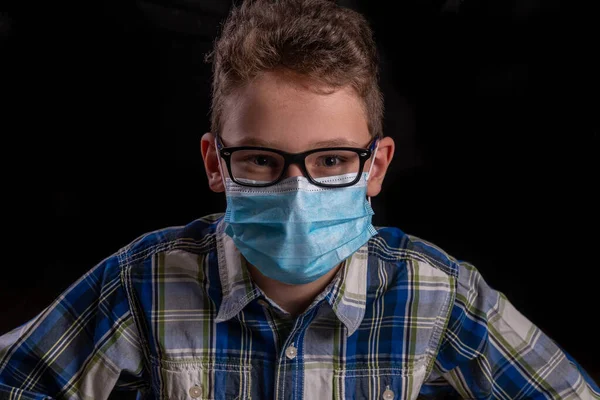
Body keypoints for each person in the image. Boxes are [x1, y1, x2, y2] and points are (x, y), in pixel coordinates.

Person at [1, 0, 598, 398]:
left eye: (332, 160)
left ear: (376, 166)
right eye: (261, 159)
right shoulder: (140, 283)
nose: (296, 192)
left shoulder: (440, 295)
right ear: (216, 163)